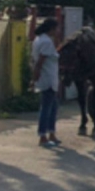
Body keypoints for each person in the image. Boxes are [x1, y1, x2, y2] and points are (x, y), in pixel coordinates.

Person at [32, 18, 61, 148]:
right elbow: (40, 62)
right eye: (56, 28)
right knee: (46, 108)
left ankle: (52, 134)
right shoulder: (46, 42)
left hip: (49, 77)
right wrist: (35, 76)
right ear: (51, 29)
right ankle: (43, 136)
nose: (58, 31)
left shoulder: (39, 39)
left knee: (53, 107)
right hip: (48, 78)